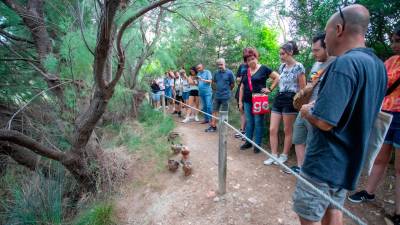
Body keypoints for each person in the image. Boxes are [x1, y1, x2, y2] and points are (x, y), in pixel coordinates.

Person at [292, 5, 387, 225]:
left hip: (324, 161)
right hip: (349, 160)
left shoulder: (344, 63)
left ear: (339, 28)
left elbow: (325, 122)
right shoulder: (378, 66)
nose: (325, 39)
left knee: (308, 215)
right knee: (334, 209)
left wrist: (307, 111)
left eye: (326, 33)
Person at [347, 25, 400, 225]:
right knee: (380, 157)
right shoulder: (390, 61)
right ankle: (368, 192)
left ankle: (398, 211)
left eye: (398, 41)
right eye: (393, 40)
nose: (394, 45)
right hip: (385, 114)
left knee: (399, 167)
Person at [288, 33, 335, 174]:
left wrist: (313, 105)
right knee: (298, 137)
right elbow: (310, 84)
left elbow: (331, 93)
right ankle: (301, 167)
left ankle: (309, 170)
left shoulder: (335, 64)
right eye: (312, 49)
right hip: (304, 108)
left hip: (317, 110)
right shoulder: (316, 64)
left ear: (327, 48)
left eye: (316, 50)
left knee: (312, 141)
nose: (313, 53)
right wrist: (302, 98)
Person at [264, 41, 306, 165]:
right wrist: (270, 89)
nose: (281, 56)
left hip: (291, 99)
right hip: (280, 97)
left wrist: (300, 103)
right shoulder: (282, 66)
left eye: (283, 54)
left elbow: (303, 89)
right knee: (273, 129)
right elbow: (279, 79)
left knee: (287, 129)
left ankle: (284, 155)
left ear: (290, 53)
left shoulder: (299, 66)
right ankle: (273, 154)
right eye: (280, 54)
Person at [238, 48, 280, 153]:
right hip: (247, 100)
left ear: (256, 58)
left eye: (253, 58)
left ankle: (257, 145)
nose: (251, 61)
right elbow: (242, 87)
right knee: (249, 121)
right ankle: (248, 142)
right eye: (248, 60)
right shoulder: (245, 71)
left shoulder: (264, 69)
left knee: (258, 122)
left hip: (260, 99)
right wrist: (240, 102)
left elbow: (277, 77)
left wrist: (270, 89)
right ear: (246, 62)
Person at [205, 58, 235, 132]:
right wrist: (216, 89)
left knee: (224, 112)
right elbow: (214, 82)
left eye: (221, 64)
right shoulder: (216, 73)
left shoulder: (229, 73)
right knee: (214, 110)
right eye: (218, 65)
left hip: (225, 96)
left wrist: (227, 90)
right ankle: (213, 126)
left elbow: (232, 84)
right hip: (217, 95)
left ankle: (223, 128)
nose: (220, 66)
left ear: (224, 64)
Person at [234, 48, 251, 139]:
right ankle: (242, 130)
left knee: (248, 113)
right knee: (242, 111)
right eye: (244, 53)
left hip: (249, 92)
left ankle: (248, 133)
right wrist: (242, 78)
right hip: (240, 90)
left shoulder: (254, 64)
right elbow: (237, 78)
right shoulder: (242, 66)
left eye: (247, 53)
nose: (246, 54)